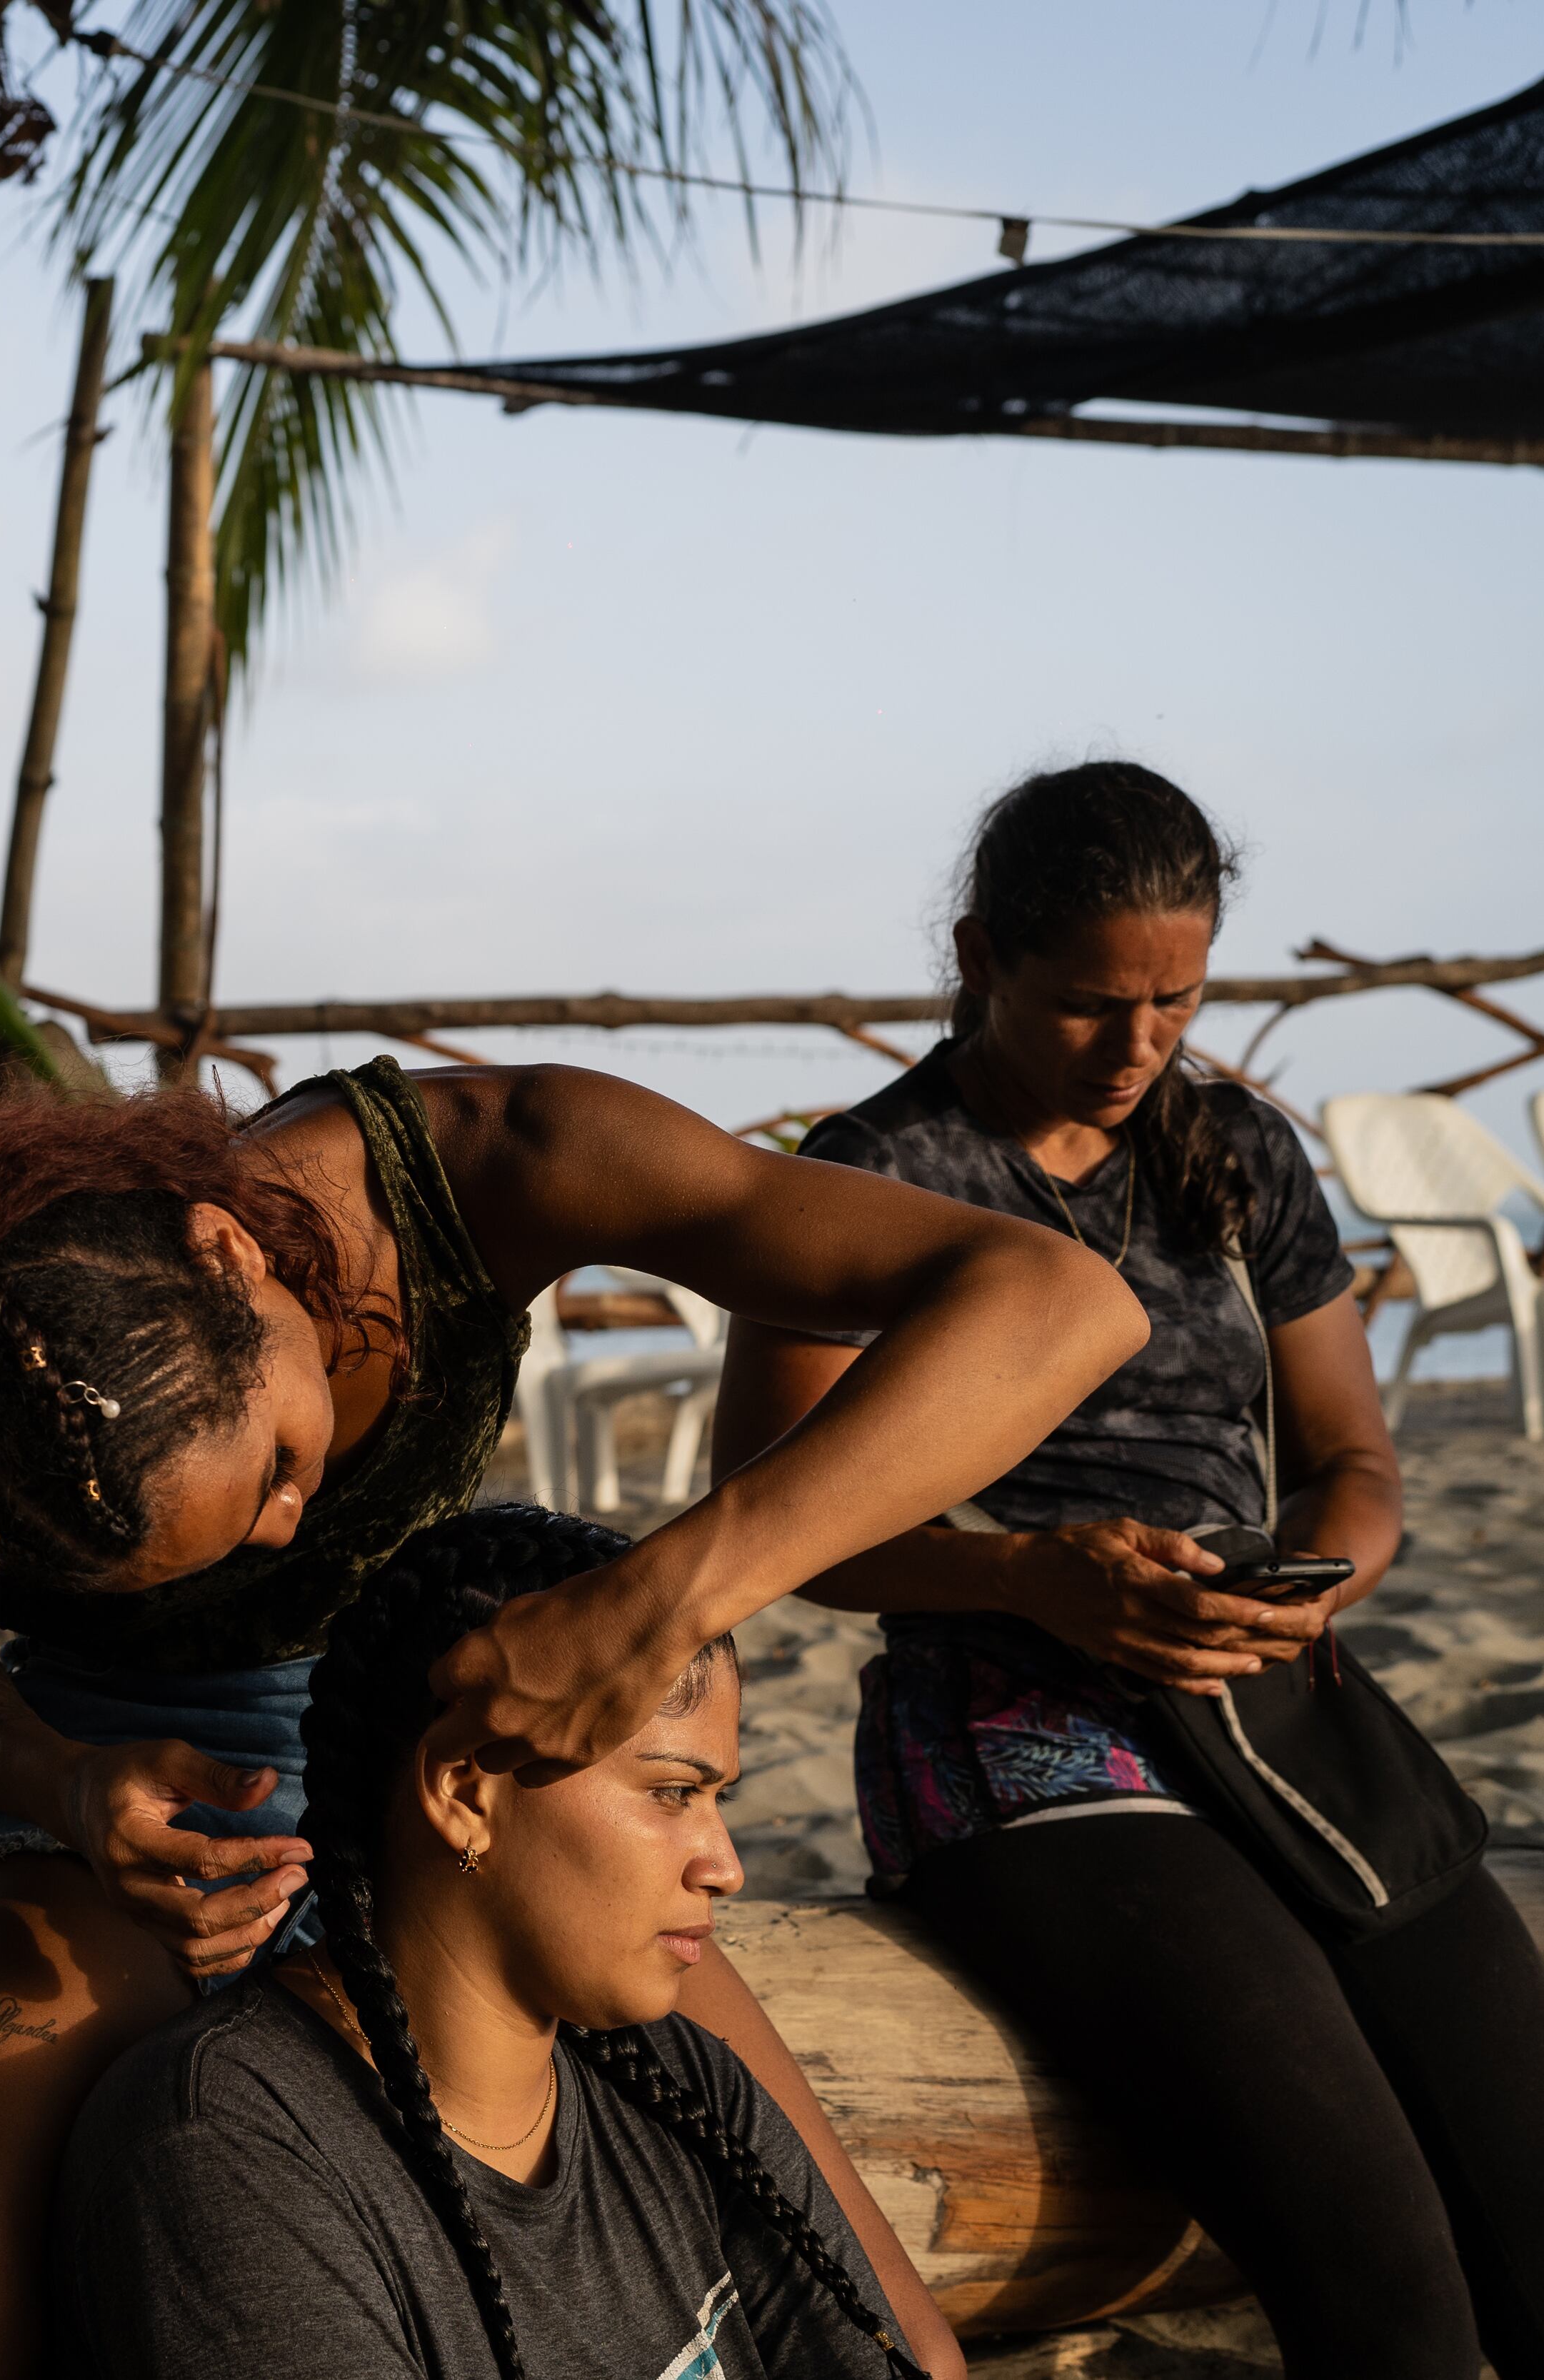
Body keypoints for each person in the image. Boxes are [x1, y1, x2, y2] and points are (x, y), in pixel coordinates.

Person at [0, 1038, 1149, 2380]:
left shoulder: (491, 1165)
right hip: (127, 1798)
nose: (288, 1531)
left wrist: (666, 1596)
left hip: (447, 1752)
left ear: (229, 1254)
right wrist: (69, 1785)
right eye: (202, 1537)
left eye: (281, 1462)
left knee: (882, 2304)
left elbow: (1060, 1304)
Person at [716, 761, 1544, 2380]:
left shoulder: (1232, 1155)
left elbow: (1354, 1468)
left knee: (1522, 2186)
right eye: (1093, 1003)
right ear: (979, 956)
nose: (1140, 1043)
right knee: (1378, 2259)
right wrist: (1031, 1575)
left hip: (1273, 1704)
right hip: (1013, 1726)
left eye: (1178, 997)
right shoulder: (869, 1170)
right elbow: (768, 1520)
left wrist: (1306, 1584)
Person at [56, 1506, 919, 2380]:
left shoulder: (679, 2083)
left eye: (717, 1800)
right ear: (467, 1792)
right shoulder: (227, 2152)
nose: (723, 1869)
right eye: (669, 1793)